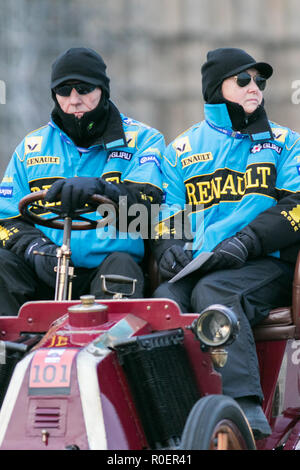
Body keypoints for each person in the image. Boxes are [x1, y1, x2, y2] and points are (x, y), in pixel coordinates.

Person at [153, 47, 300, 439]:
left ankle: (244, 409)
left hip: (265, 262)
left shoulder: (285, 142)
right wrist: (169, 248)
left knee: (214, 290)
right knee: (163, 301)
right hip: (203, 259)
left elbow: (296, 205)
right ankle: (169, 416)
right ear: (217, 89)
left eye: (260, 81)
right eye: (244, 80)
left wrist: (248, 240)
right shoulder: (181, 151)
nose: (255, 87)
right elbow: (168, 212)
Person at [0, 47, 165, 314]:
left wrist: (104, 189)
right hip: (47, 270)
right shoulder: (31, 147)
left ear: (103, 90)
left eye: (84, 89)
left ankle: (114, 350)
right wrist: (35, 248)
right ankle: (10, 352)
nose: (74, 100)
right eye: (64, 91)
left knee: (120, 266)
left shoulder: (144, 139)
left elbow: (150, 209)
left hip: (110, 268)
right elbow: (5, 218)